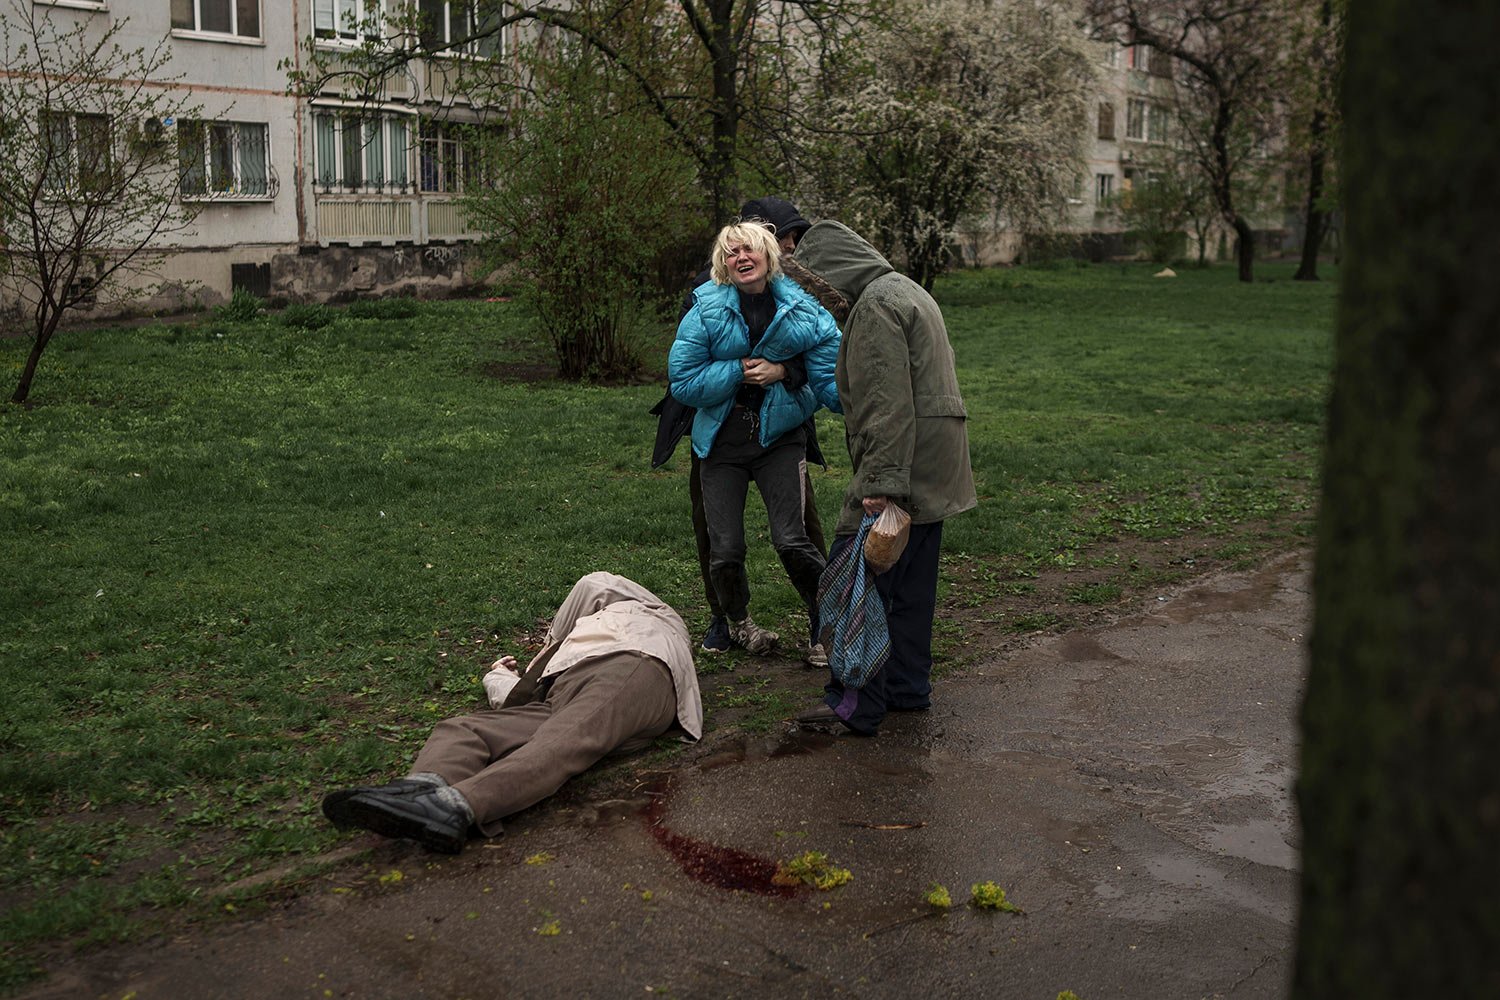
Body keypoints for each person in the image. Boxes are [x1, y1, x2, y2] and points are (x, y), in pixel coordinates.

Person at [321, 572, 703, 853]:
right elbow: (519, 701)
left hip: (633, 667)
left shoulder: (651, 613)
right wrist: (498, 677)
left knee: (561, 742)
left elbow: (592, 583)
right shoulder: (583, 644)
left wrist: (546, 649)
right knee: (464, 729)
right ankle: (421, 788)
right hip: (565, 688)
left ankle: (457, 806)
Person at [786, 221, 977, 736]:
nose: (819, 302)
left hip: (903, 466)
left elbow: (884, 405)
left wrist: (881, 484)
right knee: (912, 589)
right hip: (938, 465)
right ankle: (907, 688)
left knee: (853, 587)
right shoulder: (907, 289)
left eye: (814, 288)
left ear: (829, 276)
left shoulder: (873, 308)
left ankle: (854, 702)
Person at [650, 197, 830, 661]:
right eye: (731, 252)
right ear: (722, 263)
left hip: (779, 439)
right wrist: (739, 371)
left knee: (793, 538)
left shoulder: (803, 310)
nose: (741, 258)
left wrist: (785, 374)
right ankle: (738, 623)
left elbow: (826, 375)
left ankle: (827, 623)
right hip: (721, 444)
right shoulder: (705, 309)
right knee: (724, 547)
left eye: (750, 250)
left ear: (771, 257)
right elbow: (684, 381)